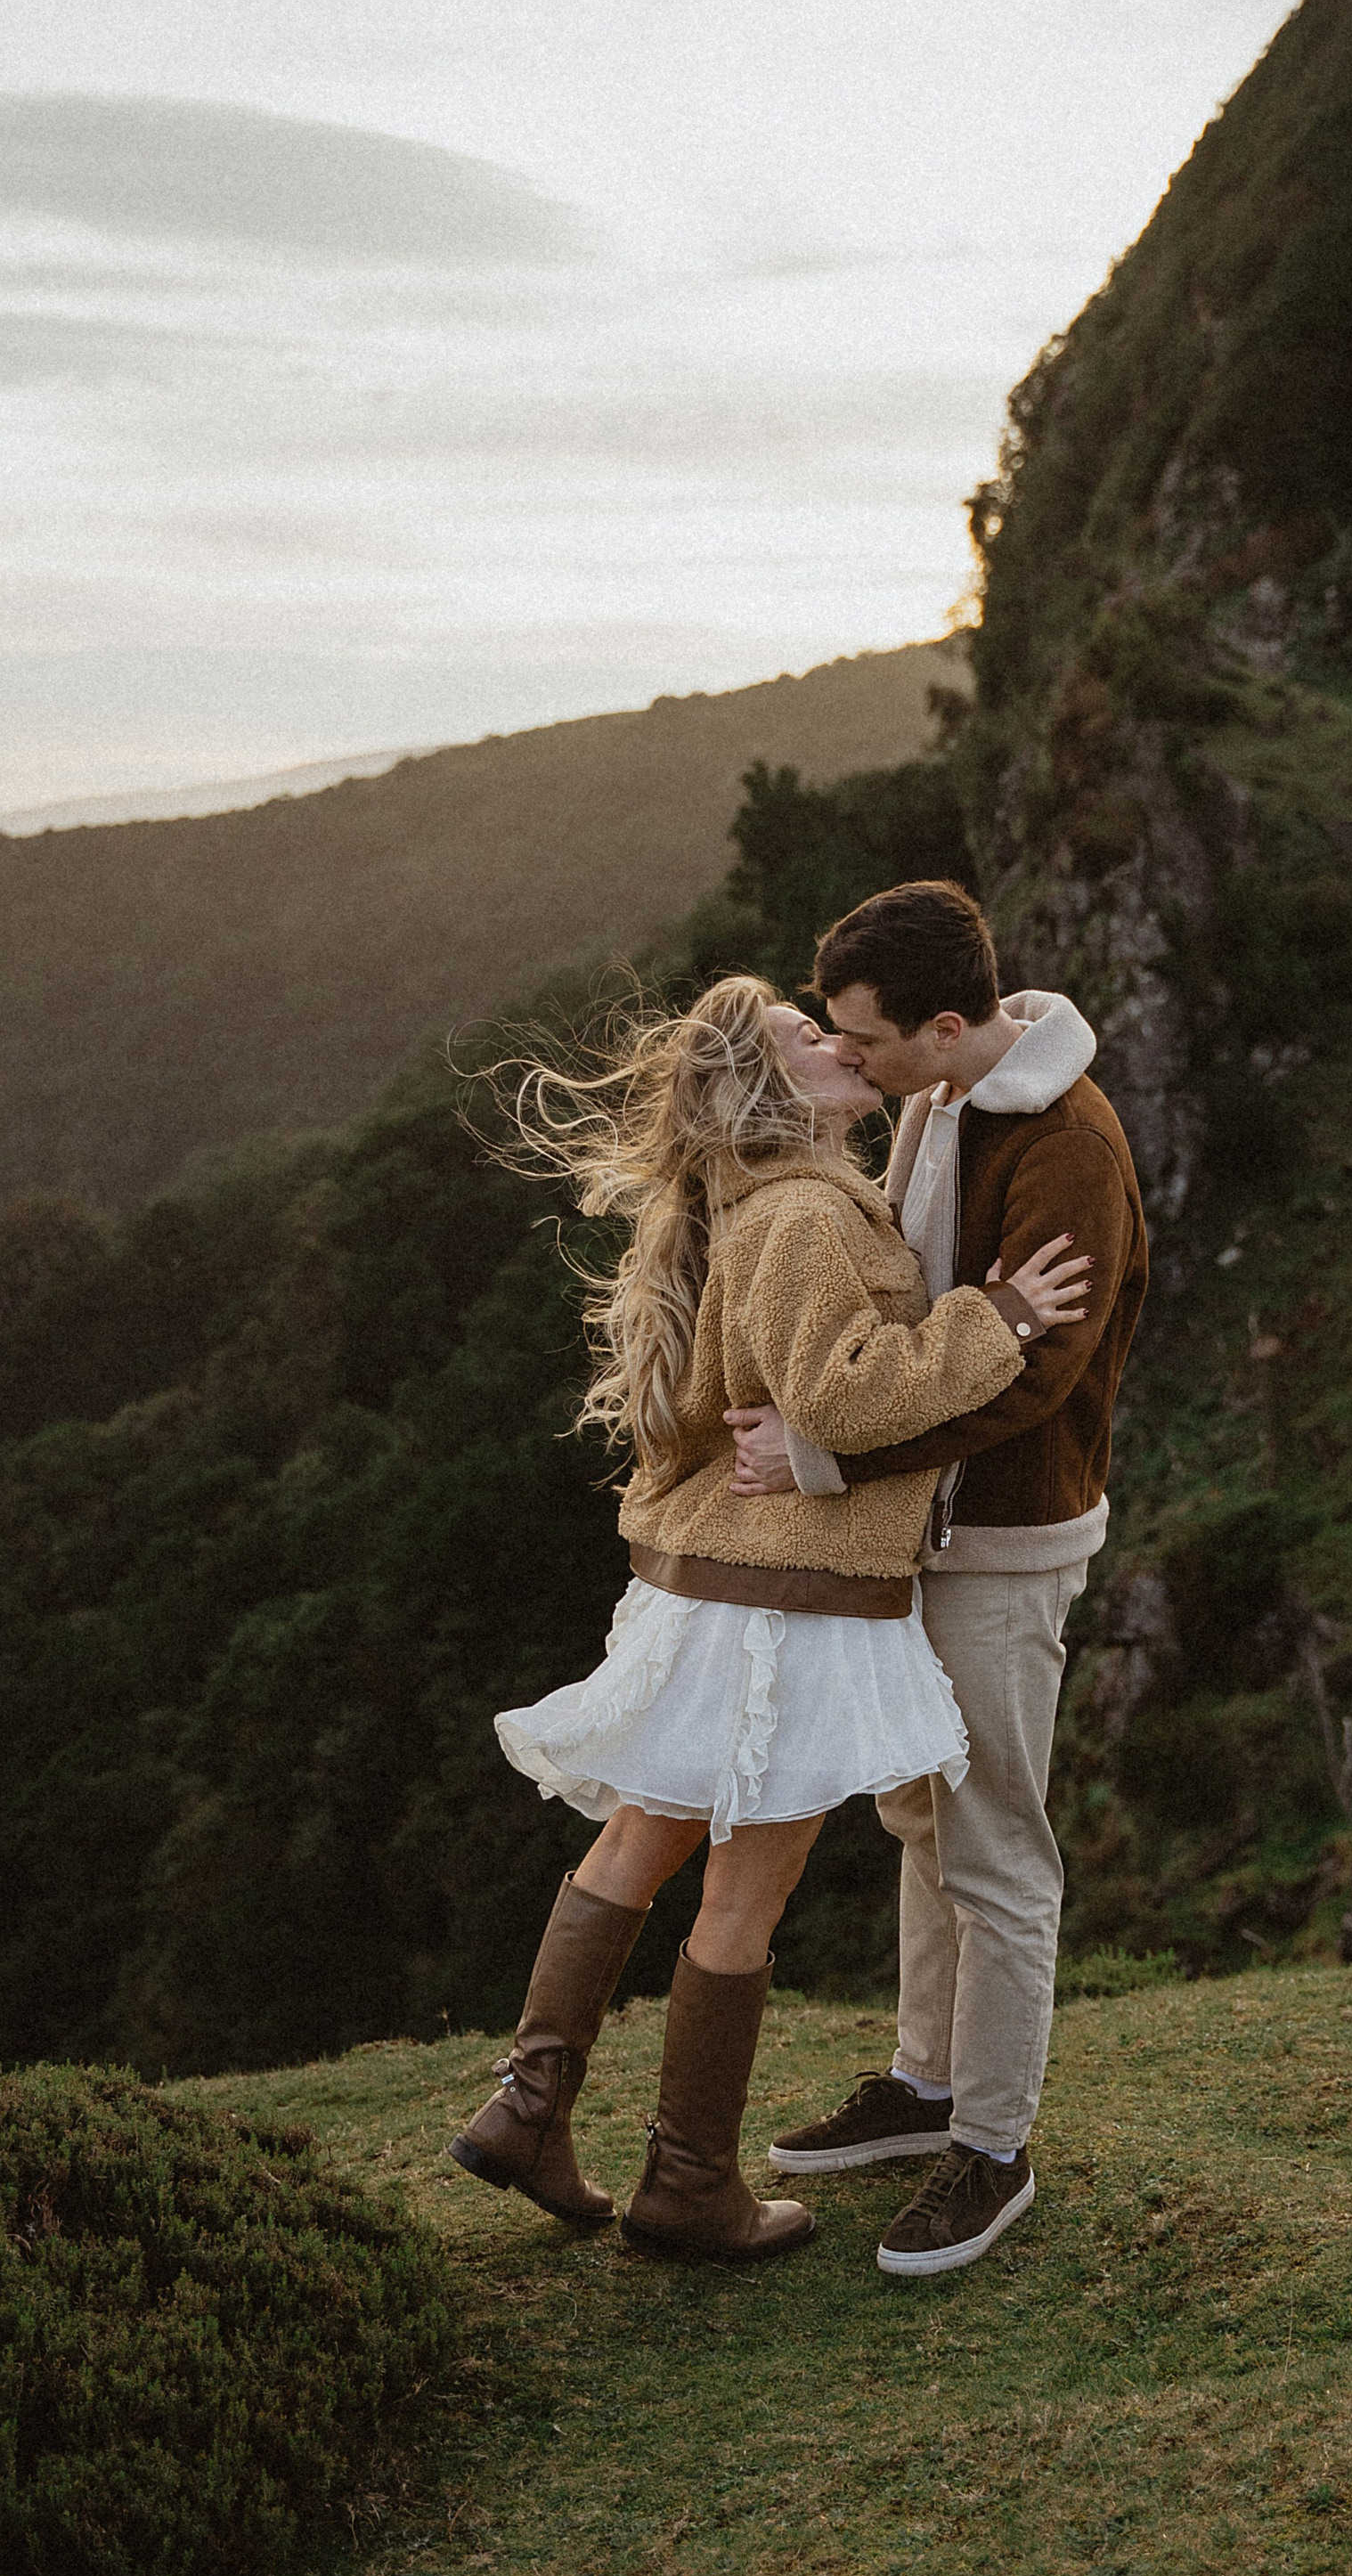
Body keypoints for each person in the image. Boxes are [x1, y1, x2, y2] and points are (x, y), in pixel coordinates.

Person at [448, 973, 1092, 2262]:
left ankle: (529, 2111)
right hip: (794, 1603)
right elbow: (845, 1403)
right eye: (808, 1037)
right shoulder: (804, 1213)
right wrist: (998, 1319)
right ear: (769, 1084)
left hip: (717, 1591)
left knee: (640, 1839)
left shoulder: (745, 1209)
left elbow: (738, 1409)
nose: (838, 1040)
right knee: (743, 1891)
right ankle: (688, 2186)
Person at [726, 882, 1147, 2277]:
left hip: (1006, 1540)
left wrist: (828, 1464)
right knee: (917, 1811)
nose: (846, 1060)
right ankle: (925, 2086)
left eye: (863, 1039)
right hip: (923, 1531)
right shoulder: (941, 1101)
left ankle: (996, 2146)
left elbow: (1034, 1374)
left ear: (947, 1026)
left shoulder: (1067, 1144)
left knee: (997, 1843)